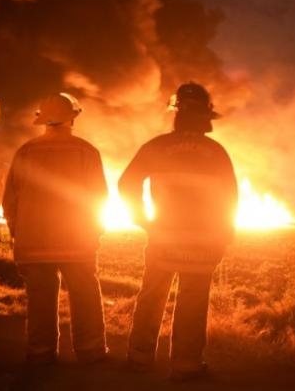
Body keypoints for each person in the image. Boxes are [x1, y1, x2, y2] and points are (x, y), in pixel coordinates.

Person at [119, 82, 238, 381]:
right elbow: (230, 199)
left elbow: (126, 184)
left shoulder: (156, 146)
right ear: (205, 117)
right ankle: (187, 365)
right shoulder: (216, 152)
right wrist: (224, 235)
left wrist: (142, 218)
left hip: (163, 235)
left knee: (152, 295)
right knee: (193, 300)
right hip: (203, 239)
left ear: (177, 115)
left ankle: (139, 359)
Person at [2, 92, 109, 364]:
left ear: (43, 120)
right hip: (76, 240)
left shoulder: (26, 151)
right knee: (84, 294)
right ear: (72, 118)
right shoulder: (86, 151)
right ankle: (91, 350)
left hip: (34, 241)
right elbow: (98, 197)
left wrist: (18, 232)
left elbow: (10, 199)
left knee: (40, 298)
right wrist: (95, 231)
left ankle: (40, 352)